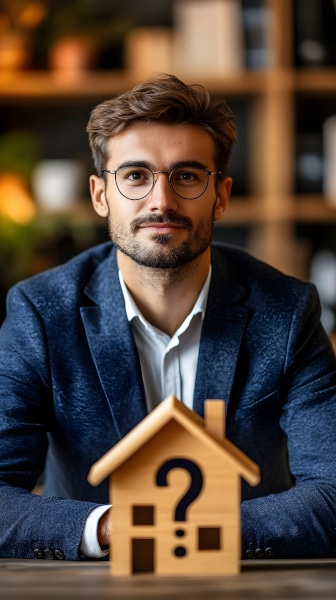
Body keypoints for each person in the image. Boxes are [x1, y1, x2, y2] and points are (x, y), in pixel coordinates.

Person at [0, 73, 335, 561]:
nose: (161, 201)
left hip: (249, 582)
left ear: (220, 196)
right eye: (135, 175)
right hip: (92, 587)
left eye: (187, 176)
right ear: (100, 196)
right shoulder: (40, 313)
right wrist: (118, 528)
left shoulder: (285, 311)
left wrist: (198, 536)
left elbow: (331, 491)